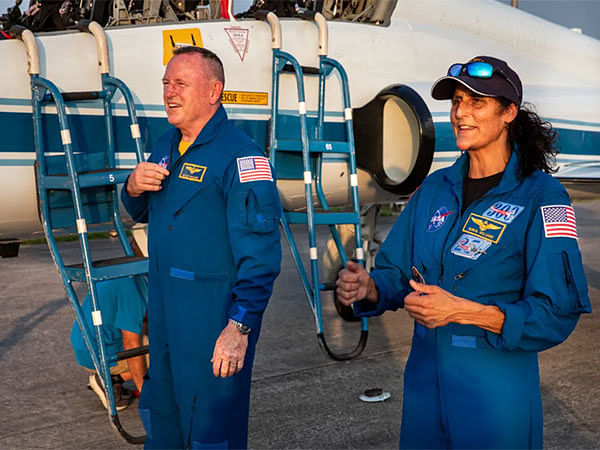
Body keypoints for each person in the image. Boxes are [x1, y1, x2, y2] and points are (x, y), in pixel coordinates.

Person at [336, 56, 591, 449]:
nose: (461, 113)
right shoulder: (435, 189)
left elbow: (556, 311)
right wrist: (368, 288)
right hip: (425, 389)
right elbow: (396, 272)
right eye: (457, 101)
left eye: (476, 103)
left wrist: (462, 311)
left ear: (508, 113)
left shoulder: (544, 197)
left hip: (493, 393)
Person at [121, 46, 282, 449]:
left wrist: (238, 327)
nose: (169, 92)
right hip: (163, 313)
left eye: (180, 83)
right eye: (165, 83)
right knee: (165, 422)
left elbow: (261, 258)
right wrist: (131, 186)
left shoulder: (241, 157)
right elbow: (143, 209)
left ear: (214, 91)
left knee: (212, 432)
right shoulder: (166, 142)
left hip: (212, 321)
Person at [70, 276, 147, 410]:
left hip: (86, 347)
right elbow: (131, 343)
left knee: (160, 336)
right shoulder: (132, 288)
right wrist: (148, 398)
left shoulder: (124, 273)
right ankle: (113, 380)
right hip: (101, 353)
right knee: (170, 348)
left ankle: (114, 379)